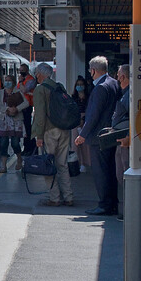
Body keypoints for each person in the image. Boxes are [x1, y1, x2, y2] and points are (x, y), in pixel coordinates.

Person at [76, 56, 121, 216]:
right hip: (111, 134)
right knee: (110, 170)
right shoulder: (114, 83)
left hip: (99, 136)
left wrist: (83, 134)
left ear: (93, 70)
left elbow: (94, 115)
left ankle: (104, 204)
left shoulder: (101, 87)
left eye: (90, 70)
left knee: (101, 171)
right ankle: (112, 203)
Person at [31, 62, 73, 206]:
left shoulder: (40, 90)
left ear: (41, 75)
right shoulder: (59, 87)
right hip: (64, 130)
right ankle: (68, 197)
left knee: (48, 164)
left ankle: (55, 198)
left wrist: (39, 136)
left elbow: (40, 115)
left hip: (49, 131)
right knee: (63, 164)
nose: (36, 76)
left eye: (37, 73)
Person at [0, 73, 28, 173]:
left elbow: (26, 103)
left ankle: (19, 158)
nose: (7, 82)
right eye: (6, 80)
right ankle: (3, 165)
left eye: (9, 81)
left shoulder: (18, 92)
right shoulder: (1, 93)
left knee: (15, 143)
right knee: (3, 143)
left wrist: (17, 109)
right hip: (4, 121)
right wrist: (8, 109)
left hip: (16, 121)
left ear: (13, 83)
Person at [113, 65, 131, 220]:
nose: (117, 78)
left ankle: (129, 209)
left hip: (126, 140)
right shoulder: (125, 94)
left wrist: (129, 136)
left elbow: (136, 118)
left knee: (125, 174)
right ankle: (127, 208)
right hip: (121, 138)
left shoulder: (130, 94)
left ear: (123, 77)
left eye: (118, 75)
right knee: (121, 174)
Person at [71, 75, 91, 172]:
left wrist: (83, 119)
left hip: (86, 120)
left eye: (81, 84)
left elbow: (90, 110)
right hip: (75, 120)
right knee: (75, 143)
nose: (79, 86)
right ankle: (77, 162)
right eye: (78, 85)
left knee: (85, 144)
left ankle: (85, 163)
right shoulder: (73, 97)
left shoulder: (88, 97)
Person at [17, 64, 37, 155]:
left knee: (27, 128)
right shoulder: (22, 80)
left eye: (22, 70)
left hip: (27, 107)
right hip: (21, 106)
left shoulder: (31, 80)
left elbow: (24, 90)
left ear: (27, 70)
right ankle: (27, 147)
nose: (21, 72)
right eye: (20, 70)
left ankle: (29, 147)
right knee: (24, 129)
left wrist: (21, 82)